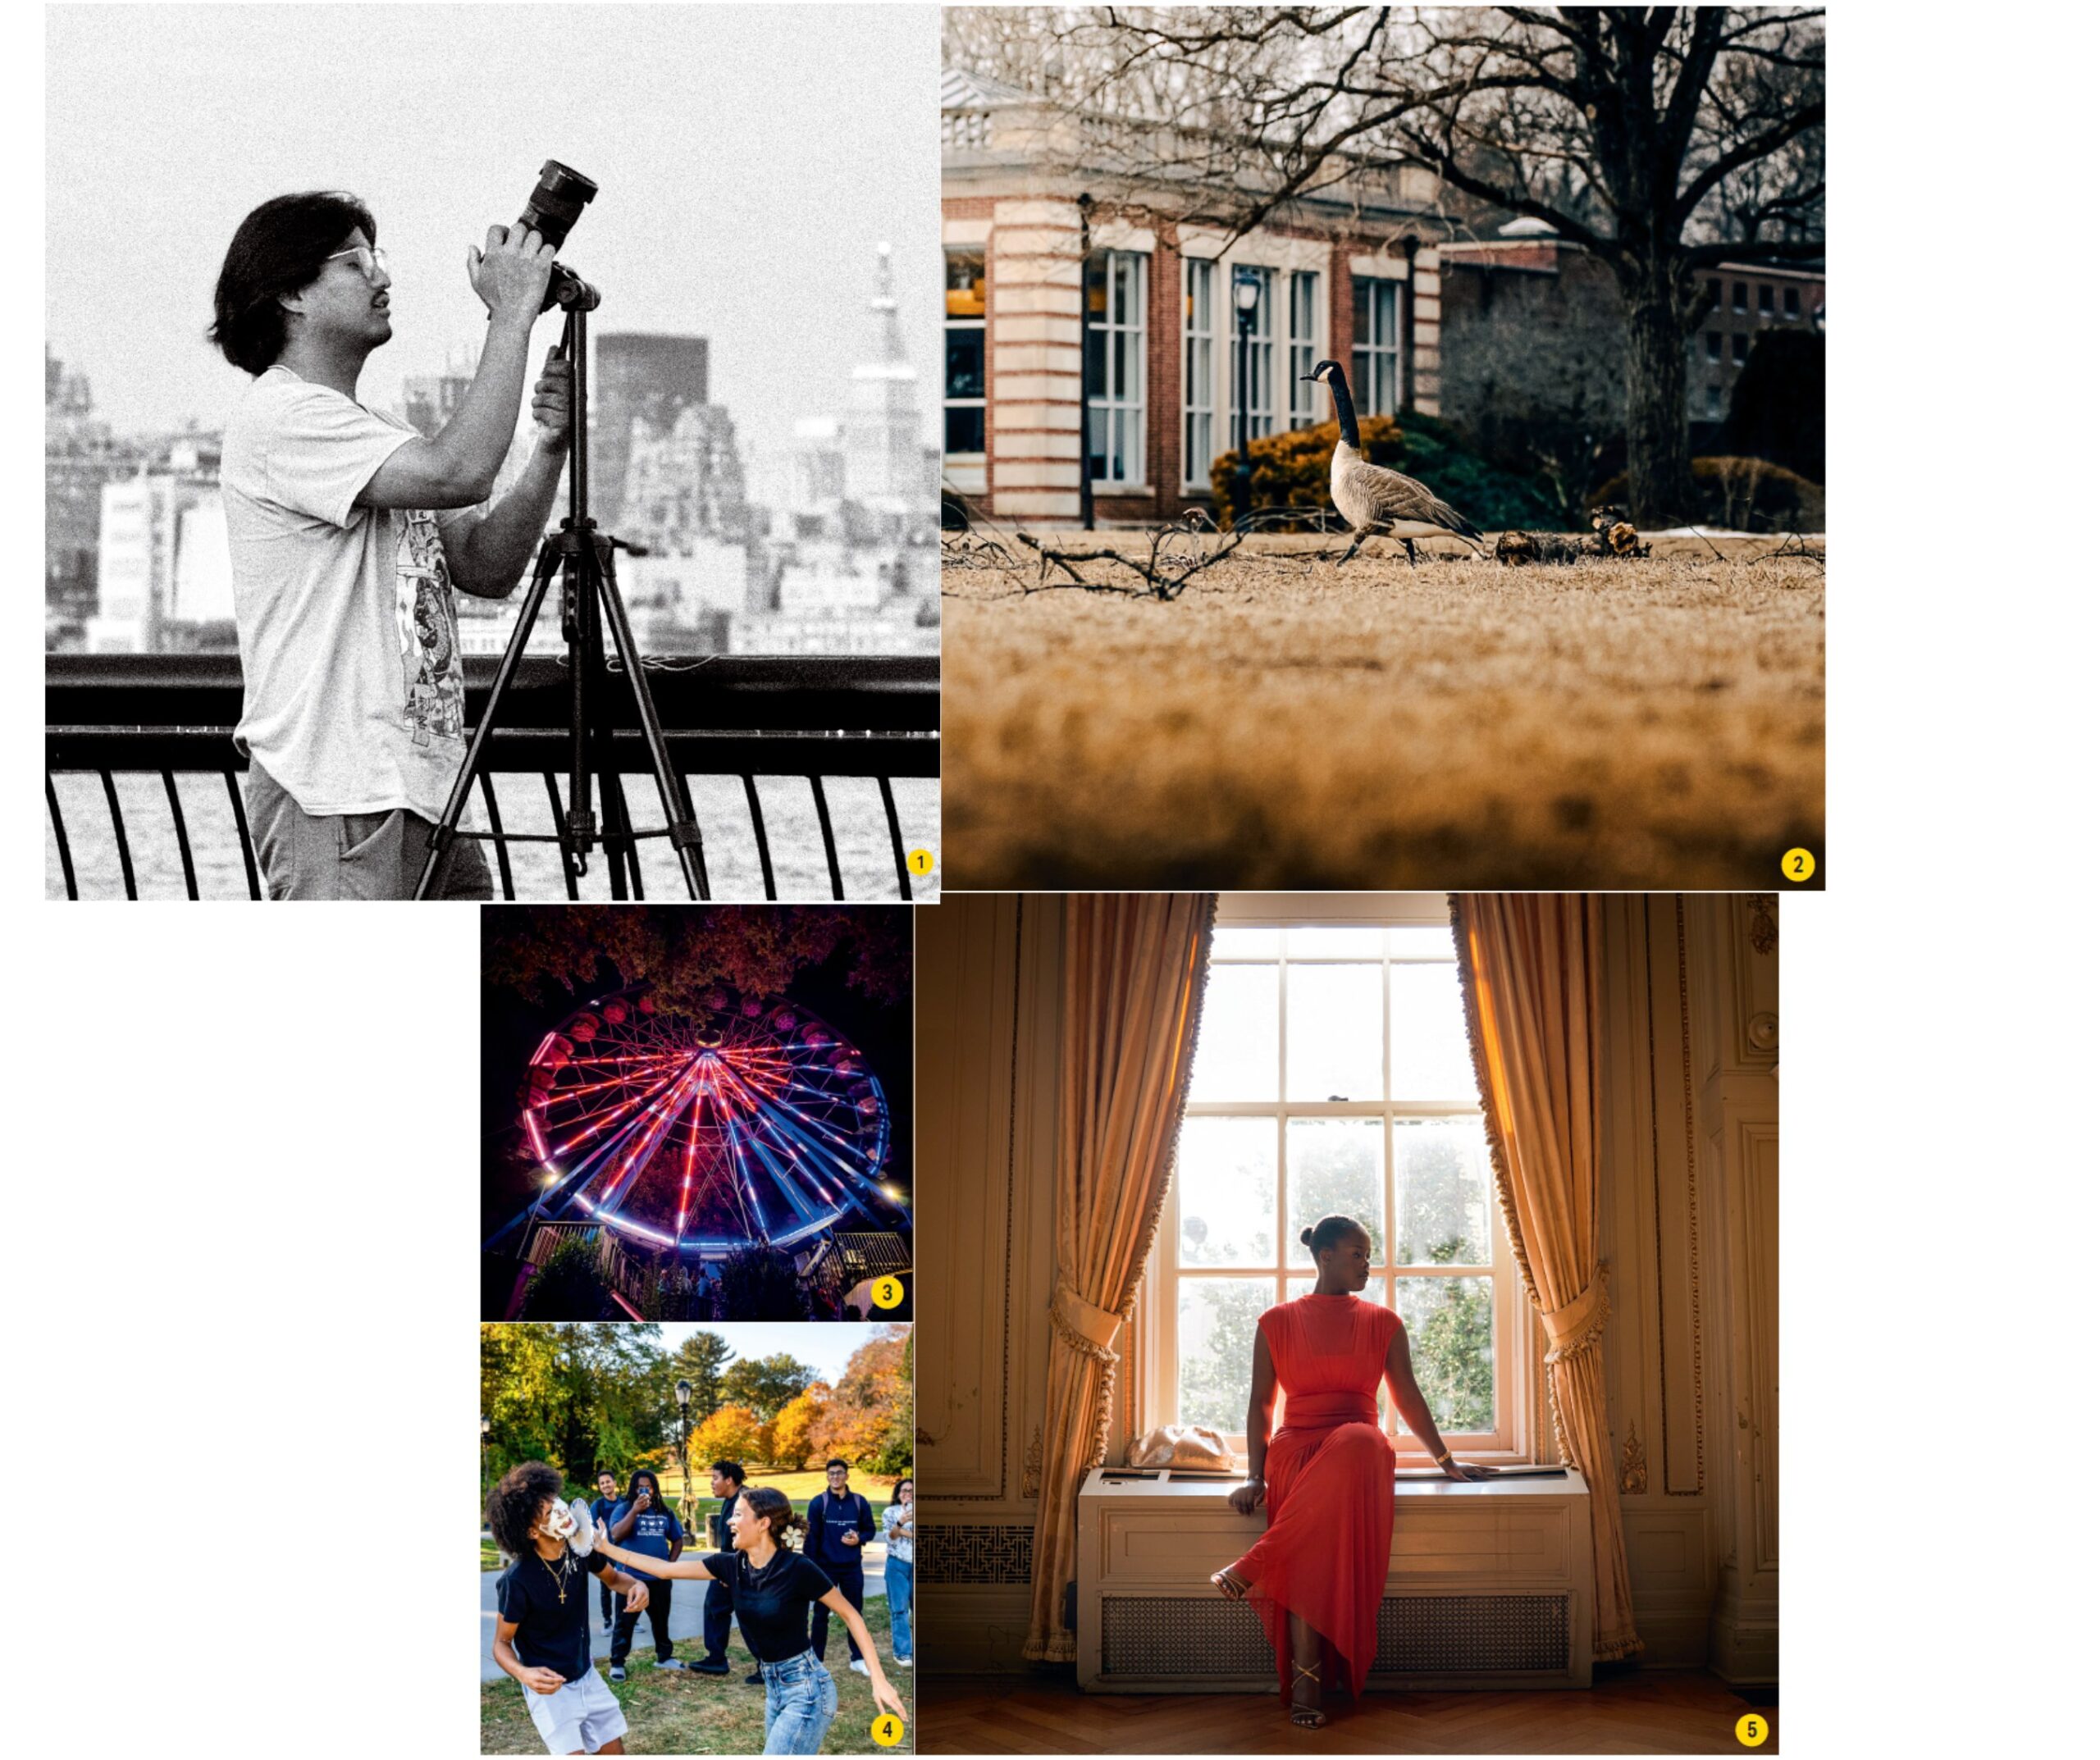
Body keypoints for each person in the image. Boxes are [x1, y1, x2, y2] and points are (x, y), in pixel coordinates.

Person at [210, 190, 574, 900]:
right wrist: (511, 314)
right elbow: (460, 471)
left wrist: (550, 449)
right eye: (356, 262)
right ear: (290, 293)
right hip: (338, 795)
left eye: (377, 257)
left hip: (422, 792)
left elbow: (484, 564)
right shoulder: (284, 415)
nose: (381, 276)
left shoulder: (369, 426)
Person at [1211, 1215, 1495, 1730]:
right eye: (1358, 1254)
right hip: (1296, 1449)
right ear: (1325, 1257)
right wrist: (1255, 1475)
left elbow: (1407, 1396)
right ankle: (1306, 1689)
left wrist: (1445, 1460)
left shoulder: (1384, 1322)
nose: (1368, 1263)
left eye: (1368, 1254)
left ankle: (1253, 1566)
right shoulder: (1275, 1321)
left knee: (1360, 1437)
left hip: (1358, 1449)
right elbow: (1260, 1403)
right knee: (1309, 1554)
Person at [594, 1486, 907, 1755]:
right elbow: (662, 1569)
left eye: (739, 1514)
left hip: (807, 1690)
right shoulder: (730, 1566)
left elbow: (851, 1614)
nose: (730, 1519)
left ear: (763, 1523)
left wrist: (878, 1679)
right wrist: (607, 1549)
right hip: (774, 1688)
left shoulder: (797, 1568)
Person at [488, 1461, 653, 1757]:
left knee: (615, 1751)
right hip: (550, 1691)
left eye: (557, 1503)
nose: (562, 1513)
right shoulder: (517, 1581)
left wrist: (638, 1585)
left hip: (587, 1675)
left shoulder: (581, 1549)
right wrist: (523, 1674)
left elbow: (615, 1579)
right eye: (550, 1512)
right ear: (530, 1531)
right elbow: (501, 1643)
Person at [606, 1469, 685, 1680]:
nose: (644, 1490)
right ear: (633, 1488)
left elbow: (678, 1539)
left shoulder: (665, 1512)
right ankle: (617, 1663)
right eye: (640, 1486)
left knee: (661, 1621)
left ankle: (664, 1657)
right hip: (629, 1580)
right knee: (624, 1624)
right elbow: (615, 1535)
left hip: (659, 1579)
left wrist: (669, 1566)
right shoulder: (623, 1509)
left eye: (648, 1486)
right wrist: (635, 1511)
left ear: (654, 1488)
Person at [804, 1459, 875, 1674]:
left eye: (839, 1473)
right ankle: (817, 1660)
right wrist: (811, 1569)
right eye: (831, 1474)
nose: (835, 1477)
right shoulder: (819, 1503)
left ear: (847, 1476)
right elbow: (811, 1539)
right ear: (827, 1477)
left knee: (854, 1613)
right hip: (826, 1569)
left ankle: (858, 1658)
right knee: (820, 1614)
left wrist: (859, 1538)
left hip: (852, 1568)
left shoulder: (860, 1502)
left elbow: (870, 1530)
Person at [690, 1459, 749, 1678]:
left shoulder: (744, 1502)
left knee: (748, 1616)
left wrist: (732, 1571)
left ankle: (767, 1664)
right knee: (715, 1607)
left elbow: (749, 1539)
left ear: (729, 1480)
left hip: (738, 1569)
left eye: (715, 1478)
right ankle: (716, 1658)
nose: (712, 1483)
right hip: (726, 1567)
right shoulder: (730, 1500)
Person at [880, 1477, 914, 1668]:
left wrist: (903, 1532)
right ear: (898, 1493)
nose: (907, 1494)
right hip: (896, 1565)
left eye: (911, 1490)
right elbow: (890, 1537)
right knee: (899, 1609)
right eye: (904, 1490)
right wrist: (900, 1524)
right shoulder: (890, 1512)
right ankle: (902, 1653)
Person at [587, 1470, 623, 1633]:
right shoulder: (598, 1506)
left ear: (614, 1483)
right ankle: (608, 1621)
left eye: (608, 1481)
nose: (605, 1485)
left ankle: (630, 1619)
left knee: (627, 1584)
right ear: (600, 1487)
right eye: (602, 1483)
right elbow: (591, 1528)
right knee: (606, 1586)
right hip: (605, 1552)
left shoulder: (624, 1503)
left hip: (623, 1551)